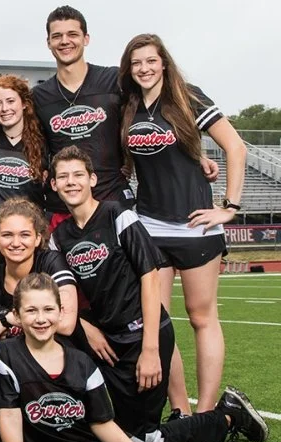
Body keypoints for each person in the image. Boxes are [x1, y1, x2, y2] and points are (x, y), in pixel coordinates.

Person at [48, 146, 267, 442]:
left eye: (78, 175)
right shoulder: (59, 236)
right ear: (53, 184)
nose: (71, 182)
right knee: (117, 433)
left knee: (145, 440)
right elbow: (59, 296)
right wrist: (87, 328)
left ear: (93, 179)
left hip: (143, 335)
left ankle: (229, 417)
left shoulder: (118, 216)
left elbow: (150, 279)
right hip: (108, 340)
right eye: (63, 177)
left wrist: (150, 350)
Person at [0, 272, 197, 442]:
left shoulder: (81, 361)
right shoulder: (5, 356)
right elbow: (9, 417)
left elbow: (101, 422)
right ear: (16, 315)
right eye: (31, 310)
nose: (41, 319)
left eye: (48, 309)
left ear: (60, 312)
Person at [118, 34, 247, 415]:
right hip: (150, 227)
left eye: (150, 61)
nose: (143, 68)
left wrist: (229, 207)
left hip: (195, 226)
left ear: (164, 63)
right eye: (136, 62)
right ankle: (180, 411)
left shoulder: (188, 96)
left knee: (201, 316)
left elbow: (236, 147)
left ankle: (205, 413)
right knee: (157, 324)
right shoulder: (129, 107)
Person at [33, 5, 217, 230]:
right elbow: (34, 145)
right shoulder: (39, 96)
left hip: (114, 199)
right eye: (57, 36)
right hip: (64, 206)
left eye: (72, 34)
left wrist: (193, 153)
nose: (65, 41)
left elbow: (154, 112)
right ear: (48, 42)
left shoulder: (114, 80)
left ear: (86, 38)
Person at [0, 197, 77, 425]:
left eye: (24, 234)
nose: (16, 243)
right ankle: (13, 419)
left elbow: (67, 323)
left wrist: (9, 319)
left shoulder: (51, 263)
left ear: (37, 238)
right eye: (7, 235)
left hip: (55, 360)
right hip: (13, 364)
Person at [0, 75, 46, 234]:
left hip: (29, 235)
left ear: (24, 103)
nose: (4, 108)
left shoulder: (43, 142)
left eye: (10, 101)